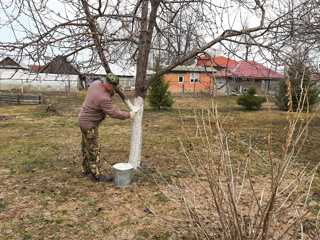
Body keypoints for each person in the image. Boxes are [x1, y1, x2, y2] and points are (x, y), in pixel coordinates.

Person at [78, 73, 136, 182]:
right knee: (95, 149)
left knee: (86, 146)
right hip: (90, 125)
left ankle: (86, 169)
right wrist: (129, 115)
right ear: (109, 86)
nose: (114, 90)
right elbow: (113, 113)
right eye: (114, 88)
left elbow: (107, 94)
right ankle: (97, 176)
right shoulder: (102, 98)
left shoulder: (95, 84)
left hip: (82, 120)